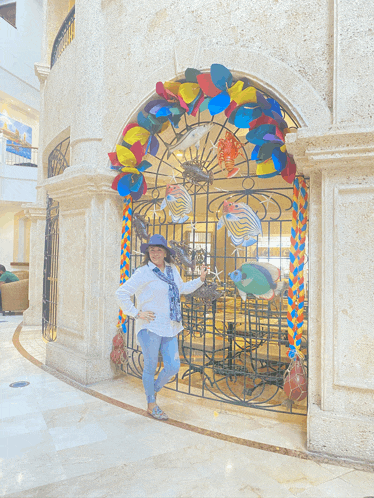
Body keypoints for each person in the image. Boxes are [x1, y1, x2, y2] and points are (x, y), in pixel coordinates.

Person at [116, 234, 208, 421]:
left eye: (159, 249)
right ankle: (151, 404)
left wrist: (200, 279)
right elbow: (121, 293)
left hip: (171, 326)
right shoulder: (143, 272)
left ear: (165, 252)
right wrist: (136, 313)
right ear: (148, 252)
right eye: (152, 250)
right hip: (150, 327)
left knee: (173, 366)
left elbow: (181, 288)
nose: (155, 253)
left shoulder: (173, 270)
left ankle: (153, 389)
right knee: (150, 367)